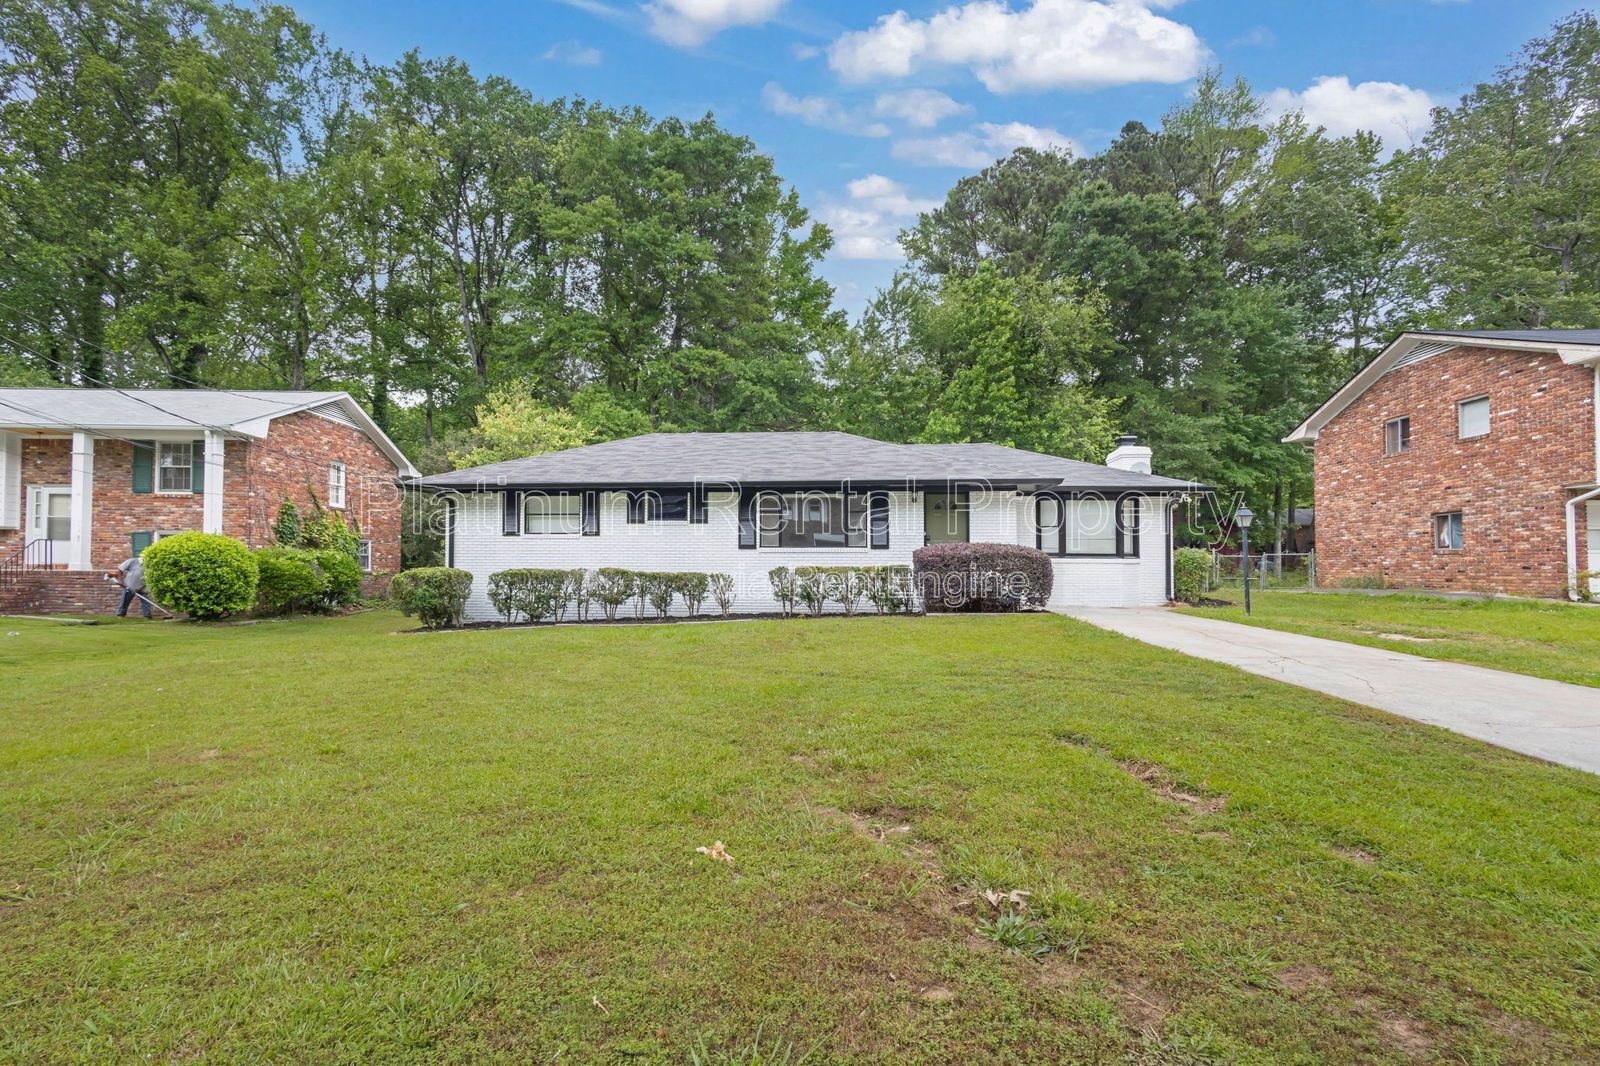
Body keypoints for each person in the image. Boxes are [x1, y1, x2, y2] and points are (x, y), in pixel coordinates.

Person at [111, 553, 152, 618]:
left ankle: (147, 616)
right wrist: (120, 581)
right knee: (124, 601)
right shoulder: (132, 561)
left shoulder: (151, 564)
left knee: (146, 602)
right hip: (130, 586)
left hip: (143, 586)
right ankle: (120, 615)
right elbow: (120, 569)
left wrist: (143, 586)